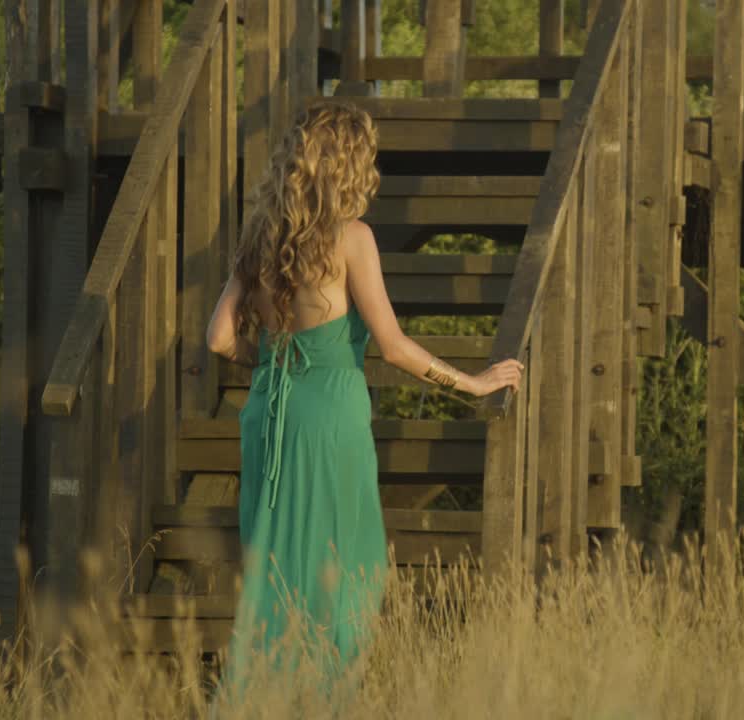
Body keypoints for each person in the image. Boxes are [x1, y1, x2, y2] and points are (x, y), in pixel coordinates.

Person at [204, 99, 523, 704]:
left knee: (272, 583)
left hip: (270, 417)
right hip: (329, 424)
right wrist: (476, 383)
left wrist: (272, 360)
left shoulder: (259, 237)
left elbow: (219, 340)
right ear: (351, 164)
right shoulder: (352, 238)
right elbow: (394, 347)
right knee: (348, 576)